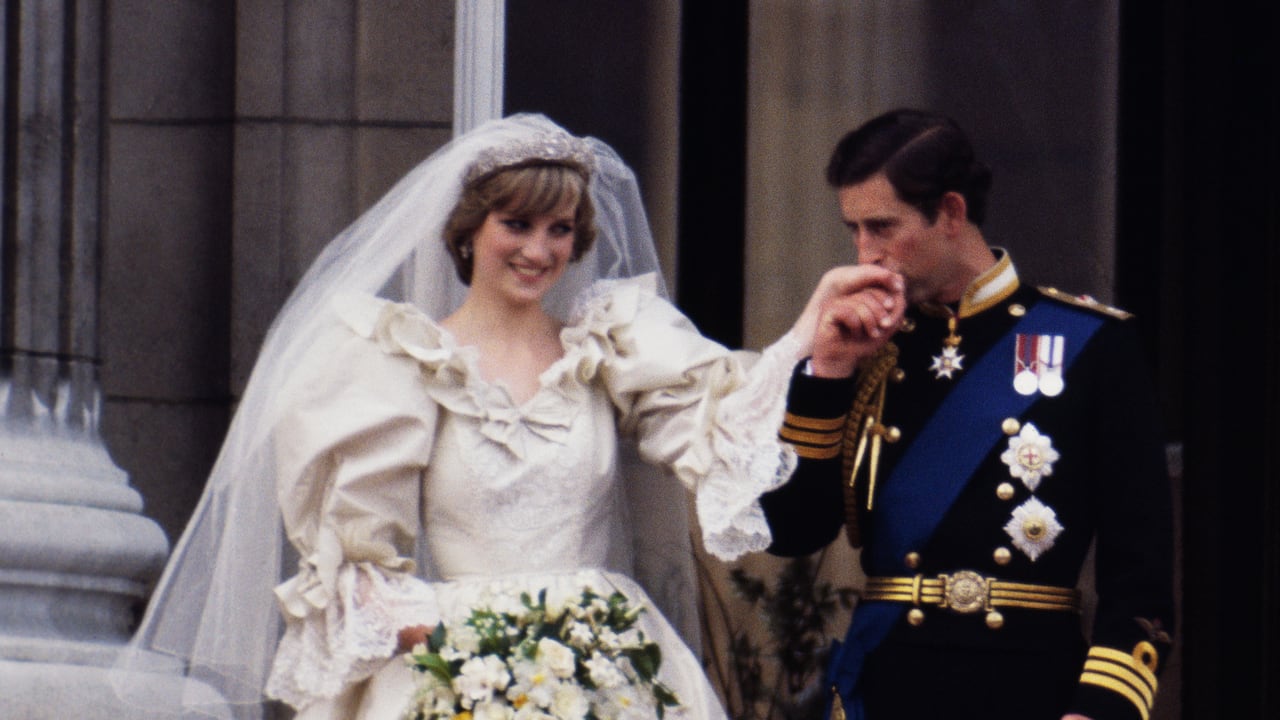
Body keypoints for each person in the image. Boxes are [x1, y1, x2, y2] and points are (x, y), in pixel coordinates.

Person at [112, 113, 860, 719]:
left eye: (560, 231)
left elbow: (724, 428)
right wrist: (477, 655)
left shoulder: (611, 347)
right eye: (518, 224)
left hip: (609, 666)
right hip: (451, 673)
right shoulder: (397, 360)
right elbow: (355, 564)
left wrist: (806, 341)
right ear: (469, 230)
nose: (539, 250)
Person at [759, 109, 1174, 720]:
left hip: (1032, 689)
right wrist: (827, 374)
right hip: (890, 683)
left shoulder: (1090, 344)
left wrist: (1103, 707)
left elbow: (1140, 565)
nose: (864, 253)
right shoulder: (864, 348)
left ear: (951, 213)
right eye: (853, 229)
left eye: (881, 226)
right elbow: (791, 532)